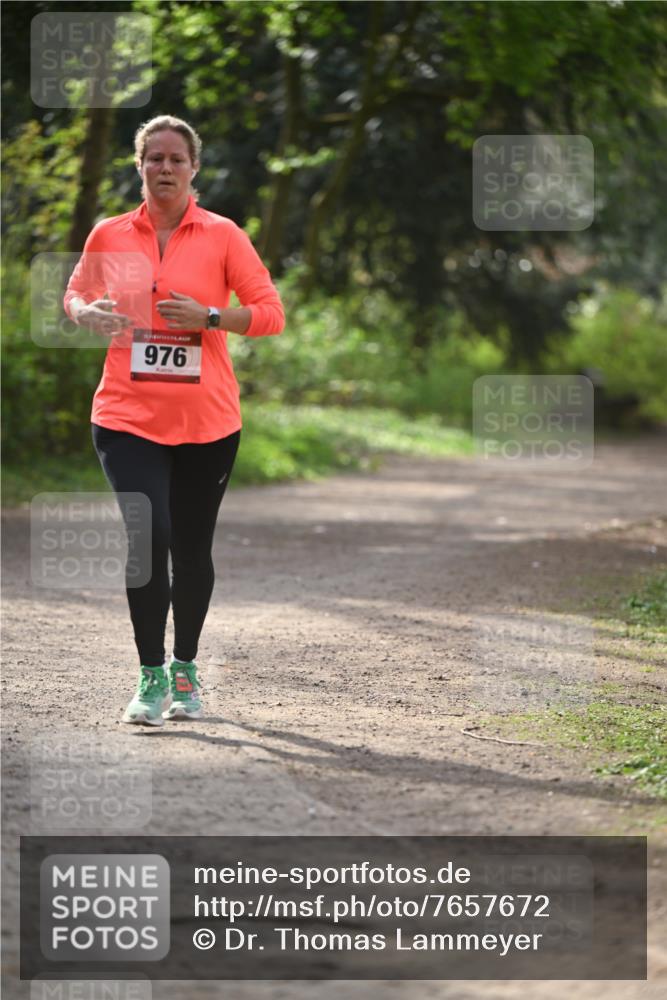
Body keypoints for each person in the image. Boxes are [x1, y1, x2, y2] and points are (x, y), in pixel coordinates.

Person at [64, 115, 285, 726]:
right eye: (154, 158)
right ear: (139, 166)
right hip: (125, 414)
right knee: (148, 538)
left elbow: (269, 314)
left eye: (176, 159)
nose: (165, 168)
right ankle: (151, 675)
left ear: (193, 169)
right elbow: (75, 294)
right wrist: (89, 313)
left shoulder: (223, 236)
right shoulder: (109, 234)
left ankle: (187, 669)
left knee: (190, 551)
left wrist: (212, 317)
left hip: (207, 421)